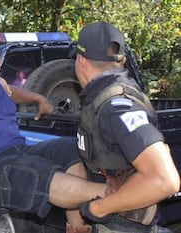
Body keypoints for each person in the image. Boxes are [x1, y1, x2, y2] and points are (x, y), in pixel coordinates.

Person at [0, 29, 109, 232]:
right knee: (35, 171)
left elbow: (13, 92)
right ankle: (120, 197)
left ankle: (76, 228)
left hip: (18, 151)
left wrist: (38, 98)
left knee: (71, 149)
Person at [74, 22, 180, 232]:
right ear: (121, 61)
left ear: (82, 61)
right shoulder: (104, 101)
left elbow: (164, 180)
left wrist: (98, 208)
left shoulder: (118, 107)